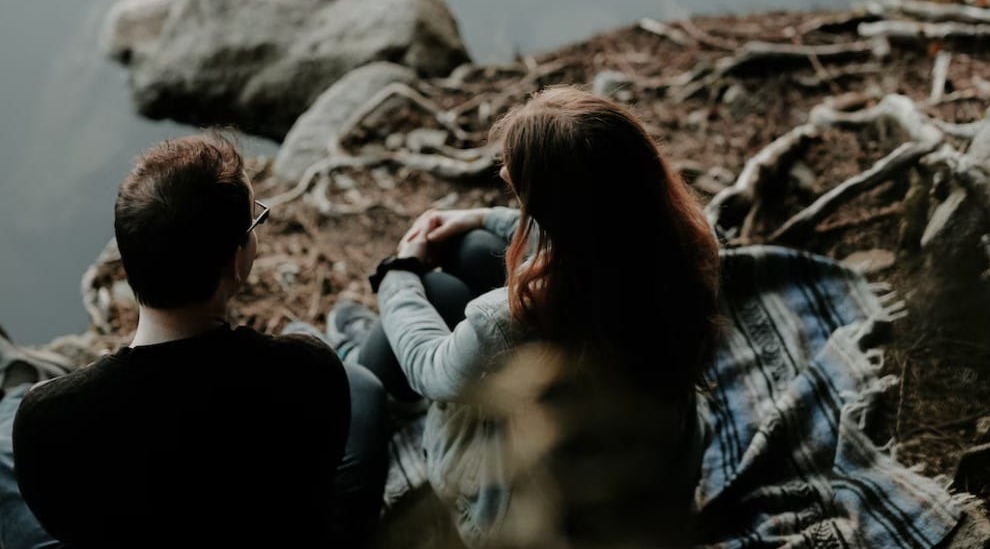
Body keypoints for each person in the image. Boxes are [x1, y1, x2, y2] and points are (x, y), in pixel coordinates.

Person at [357, 85, 722, 546]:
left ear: (553, 204)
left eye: (516, 181)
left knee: (432, 293)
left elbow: (430, 366)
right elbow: (602, 230)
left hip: (539, 518)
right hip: (658, 476)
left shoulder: (512, 319)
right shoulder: (693, 246)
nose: (507, 174)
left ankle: (361, 382)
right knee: (474, 249)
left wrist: (399, 272)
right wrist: (480, 217)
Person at [4, 134, 389, 549]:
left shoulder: (46, 420)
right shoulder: (306, 371)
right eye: (255, 222)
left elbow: (63, 523)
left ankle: (10, 376)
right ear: (235, 259)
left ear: (129, 258)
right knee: (362, 387)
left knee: (6, 433)